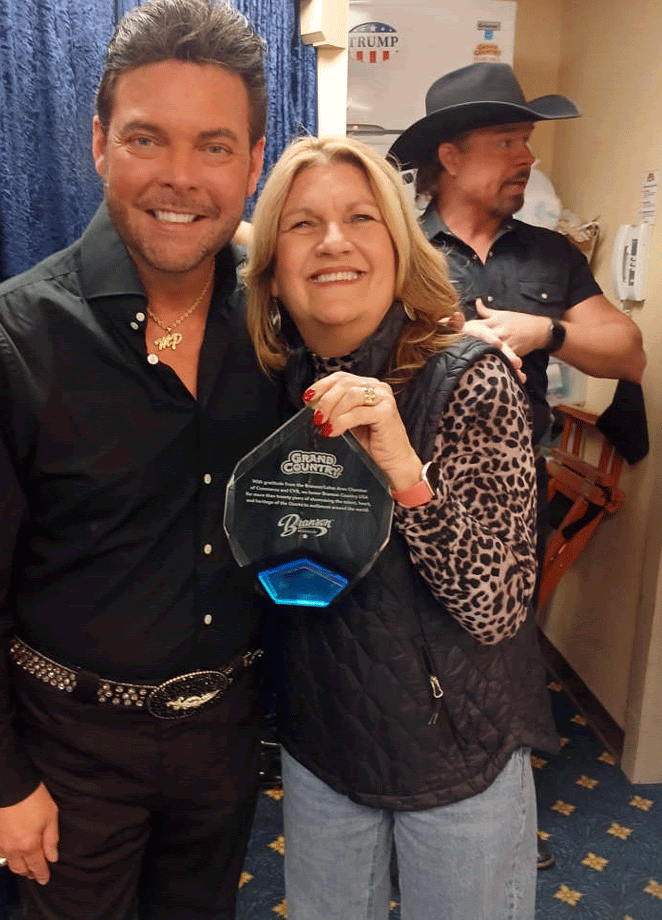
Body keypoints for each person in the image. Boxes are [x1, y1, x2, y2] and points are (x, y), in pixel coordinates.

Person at [0, 0, 281, 920]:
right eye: (145, 138)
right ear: (97, 144)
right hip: (68, 752)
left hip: (225, 743)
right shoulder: (5, 340)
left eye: (215, 147)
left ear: (252, 167)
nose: (180, 176)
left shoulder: (279, 325)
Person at [243, 134, 560, 920]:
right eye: (302, 225)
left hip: (458, 749)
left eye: (360, 218)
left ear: (398, 244)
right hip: (326, 740)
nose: (334, 243)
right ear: (274, 269)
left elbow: (493, 607)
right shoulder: (270, 388)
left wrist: (404, 468)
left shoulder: (468, 377)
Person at [388, 62, 646, 869]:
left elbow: (629, 353)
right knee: (400, 653)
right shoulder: (397, 250)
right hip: (406, 491)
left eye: (526, 142)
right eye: (507, 141)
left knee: (500, 655)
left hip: (507, 501)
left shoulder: (549, 255)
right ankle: (400, 804)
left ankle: (493, 820)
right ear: (451, 156)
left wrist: (549, 335)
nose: (525, 157)